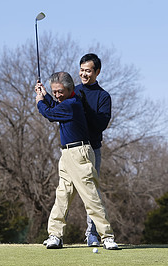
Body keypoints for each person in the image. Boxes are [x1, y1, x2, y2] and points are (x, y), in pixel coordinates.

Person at [34, 71, 118, 250]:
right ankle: (55, 235)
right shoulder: (67, 102)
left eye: (59, 91)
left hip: (79, 153)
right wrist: (45, 94)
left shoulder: (71, 104)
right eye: (54, 91)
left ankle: (107, 236)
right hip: (66, 155)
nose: (57, 95)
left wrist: (40, 101)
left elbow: (50, 113)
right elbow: (54, 107)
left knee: (91, 196)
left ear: (70, 89)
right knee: (62, 195)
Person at [74, 53, 111, 247]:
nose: (83, 74)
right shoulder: (73, 91)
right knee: (65, 191)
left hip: (93, 149)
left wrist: (85, 106)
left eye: (88, 70)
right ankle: (56, 234)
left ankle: (92, 233)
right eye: (81, 70)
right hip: (72, 150)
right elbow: (57, 110)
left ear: (97, 72)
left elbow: (100, 125)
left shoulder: (103, 96)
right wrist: (43, 96)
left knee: (92, 192)